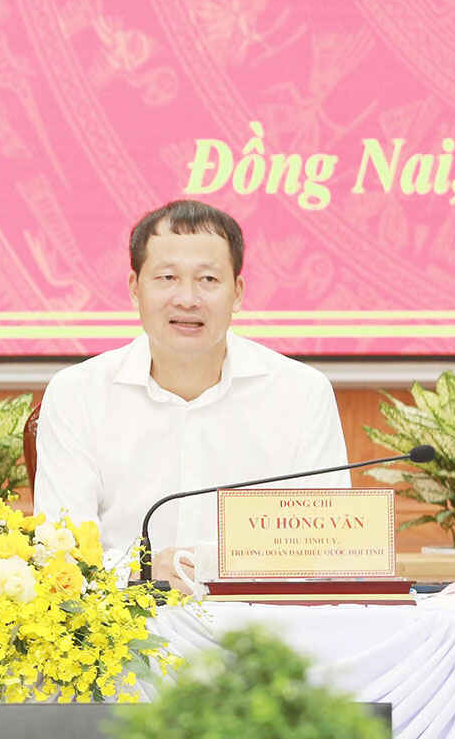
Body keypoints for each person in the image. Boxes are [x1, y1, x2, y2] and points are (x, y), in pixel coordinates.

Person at [33, 200, 348, 588]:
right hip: (121, 628)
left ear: (238, 292)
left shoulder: (302, 393)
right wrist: (142, 572)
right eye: (167, 278)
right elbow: (58, 548)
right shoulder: (77, 393)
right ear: (135, 288)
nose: (187, 299)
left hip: (260, 630)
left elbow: (327, 549)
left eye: (209, 280)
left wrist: (211, 568)